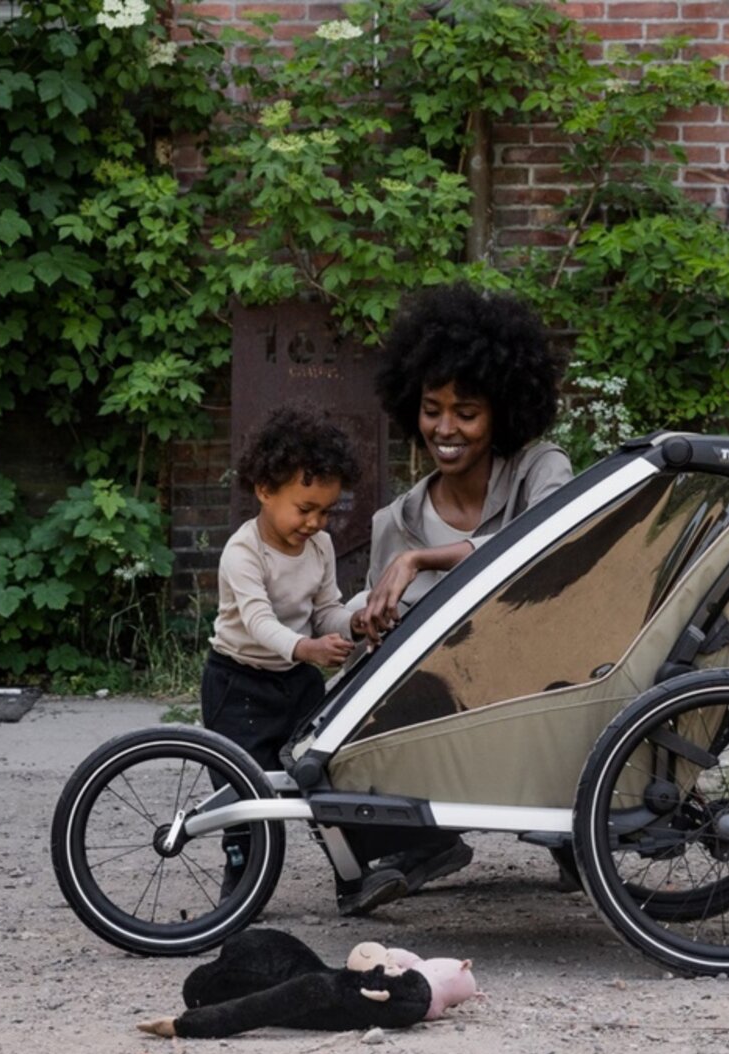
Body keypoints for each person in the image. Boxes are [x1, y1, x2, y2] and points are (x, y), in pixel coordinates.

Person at [335, 282, 573, 915]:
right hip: (451, 707)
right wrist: (363, 623)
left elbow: (542, 549)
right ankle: (421, 843)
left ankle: (572, 832)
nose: (445, 429)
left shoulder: (539, 470)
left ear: (501, 412)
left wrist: (423, 559)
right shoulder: (395, 523)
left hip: (546, 684)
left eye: (466, 412)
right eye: (431, 409)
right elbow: (380, 636)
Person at [202, 408, 376, 902]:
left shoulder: (320, 547)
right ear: (265, 490)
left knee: (323, 774)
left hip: (297, 681)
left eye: (326, 511)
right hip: (239, 683)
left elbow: (326, 610)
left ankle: (353, 877)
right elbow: (258, 623)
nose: (315, 522)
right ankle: (240, 883)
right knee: (243, 789)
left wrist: (353, 624)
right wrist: (307, 648)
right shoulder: (244, 552)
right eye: (305, 509)